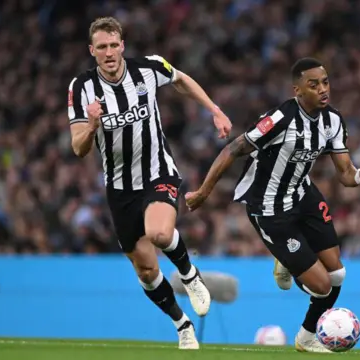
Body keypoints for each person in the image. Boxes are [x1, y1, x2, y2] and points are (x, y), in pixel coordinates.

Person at [185, 58, 360, 352]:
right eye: (314, 85)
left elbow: (345, 175)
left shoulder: (333, 120)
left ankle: (305, 338)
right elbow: (233, 149)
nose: (323, 89)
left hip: (304, 196)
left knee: (338, 275)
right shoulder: (279, 119)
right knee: (323, 286)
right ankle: (289, 265)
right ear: (297, 90)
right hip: (269, 208)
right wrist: (203, 191)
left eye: (325, 82)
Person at [67, 17, 232, 350]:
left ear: (123, 45)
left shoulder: (149, 68)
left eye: (114, 45)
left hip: (158, 171)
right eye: (102, 47)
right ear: (92, 51)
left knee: (159, 233)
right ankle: (181, 324)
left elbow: (182, 80)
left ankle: (189, 274)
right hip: (119, 186)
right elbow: (78, 148)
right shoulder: (81, 87)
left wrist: (214, 109)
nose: (109, 52)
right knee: (145, 268)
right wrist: (93, 125)